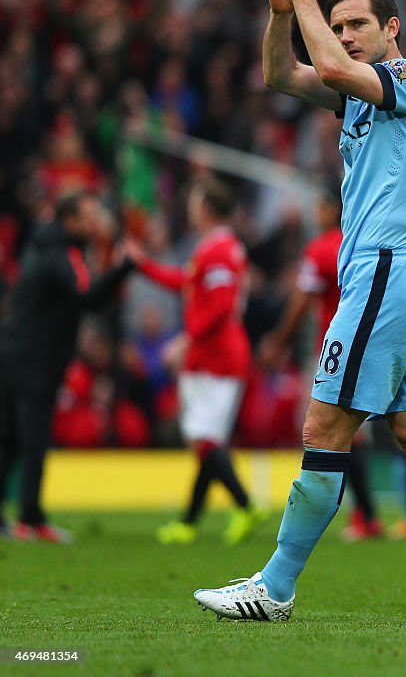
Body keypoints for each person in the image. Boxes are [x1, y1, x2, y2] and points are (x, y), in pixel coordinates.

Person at [192, 0, 406, 623]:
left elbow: (329, 71)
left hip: (387, 271)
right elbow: (283, 75)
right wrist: (282, 10)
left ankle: (273, 587)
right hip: (398, 273)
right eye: (336, 27)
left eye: (357, 23)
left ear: (392, 27)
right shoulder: (360, 97)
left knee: (325, 424)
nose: (344, 36)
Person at [126, 179, 267, 546]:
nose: (189, 207)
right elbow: (185, 282)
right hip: (213, 355)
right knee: (207, 441)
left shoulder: (220, 250)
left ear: (205, 208)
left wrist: (185, 340)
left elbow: (220, 307)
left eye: (193, 201)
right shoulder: (215, 247)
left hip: (217, 357)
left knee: (203, 439)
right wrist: (144, 265)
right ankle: (189, 522)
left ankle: (245, 505)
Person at [0, 192, 134, 542]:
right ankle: (31, 517)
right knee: (33, 440)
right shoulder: (63, 253)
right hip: (35, 360)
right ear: (70, 219)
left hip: (16, 352)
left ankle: (13, 516)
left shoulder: (43, 245)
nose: (95, 221)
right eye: (88, 215)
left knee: (11, 438)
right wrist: (124, 267)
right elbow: (87, 295)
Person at [259, 184, 382, 542]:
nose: (317, 214)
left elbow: (300, 304)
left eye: (320, 207)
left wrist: (277, 341)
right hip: (369, 347)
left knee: (325, 433)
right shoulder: (365, 244)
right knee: (357, 432)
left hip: (333, 350)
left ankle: (356, 514)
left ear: (331, 209)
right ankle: (365, 513)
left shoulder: (323, 248)